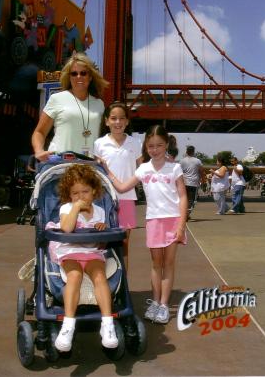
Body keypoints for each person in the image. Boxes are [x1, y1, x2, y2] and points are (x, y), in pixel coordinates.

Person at [104, 125, 187, 324]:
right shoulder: (143, 169)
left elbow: (183, 196)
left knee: (168, 264)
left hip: (173, 220)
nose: (155, 149)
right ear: (146, 147)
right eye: (151, 146)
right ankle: (156, 302)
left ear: (166, 144)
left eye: (159, 145)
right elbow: (123, 187)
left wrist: (181, 225)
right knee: (156, 265)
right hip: (154, 221)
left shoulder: (175, 168)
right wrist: (107, 171)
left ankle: (165, 305)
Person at [47, 164, 118, 352]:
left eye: (85, 192)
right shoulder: (67, 208)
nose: (80, 197)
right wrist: (76, 208)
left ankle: (107, 323)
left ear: (94, 191)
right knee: (75, 275)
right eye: (75, 193)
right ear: (69, 195)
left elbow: (101, 245)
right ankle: (68, 325)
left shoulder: (100, 212)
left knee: (99, 276)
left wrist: (101, 231)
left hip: (91, 252)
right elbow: (67, 229)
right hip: (69, 251)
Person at [31, 53, 109, 161]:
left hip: (88, 165)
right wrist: (39, 151)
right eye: (74, 73)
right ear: (69, 77)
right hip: (59, 162)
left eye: (83, 73)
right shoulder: (57, 99)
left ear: (90, 77)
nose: (78, 77)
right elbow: (39, 132)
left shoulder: (99, 104)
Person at [93, 101, 142, 270]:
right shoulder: (99, 143)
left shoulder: (135, 143)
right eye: (113, 118)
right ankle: (103, 285)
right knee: (101, 242)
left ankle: (123, 287)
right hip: (103, 199)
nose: (118, 122)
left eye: (122, 118)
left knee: (124, 244)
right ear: (106, 121)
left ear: (127, 121)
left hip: (127, 199)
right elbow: (96, 173)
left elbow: (141, 170)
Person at [180, 145, 205, 220]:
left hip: (184, 183)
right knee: (191, 200)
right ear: (193, 152)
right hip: (194, 183)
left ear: (186, 152)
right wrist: (203, 181)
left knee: (184, 199)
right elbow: (201, 171)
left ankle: (184, 214)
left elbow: (178, 172)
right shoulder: (197, 161)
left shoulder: (182, 161)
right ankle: (187, 214)